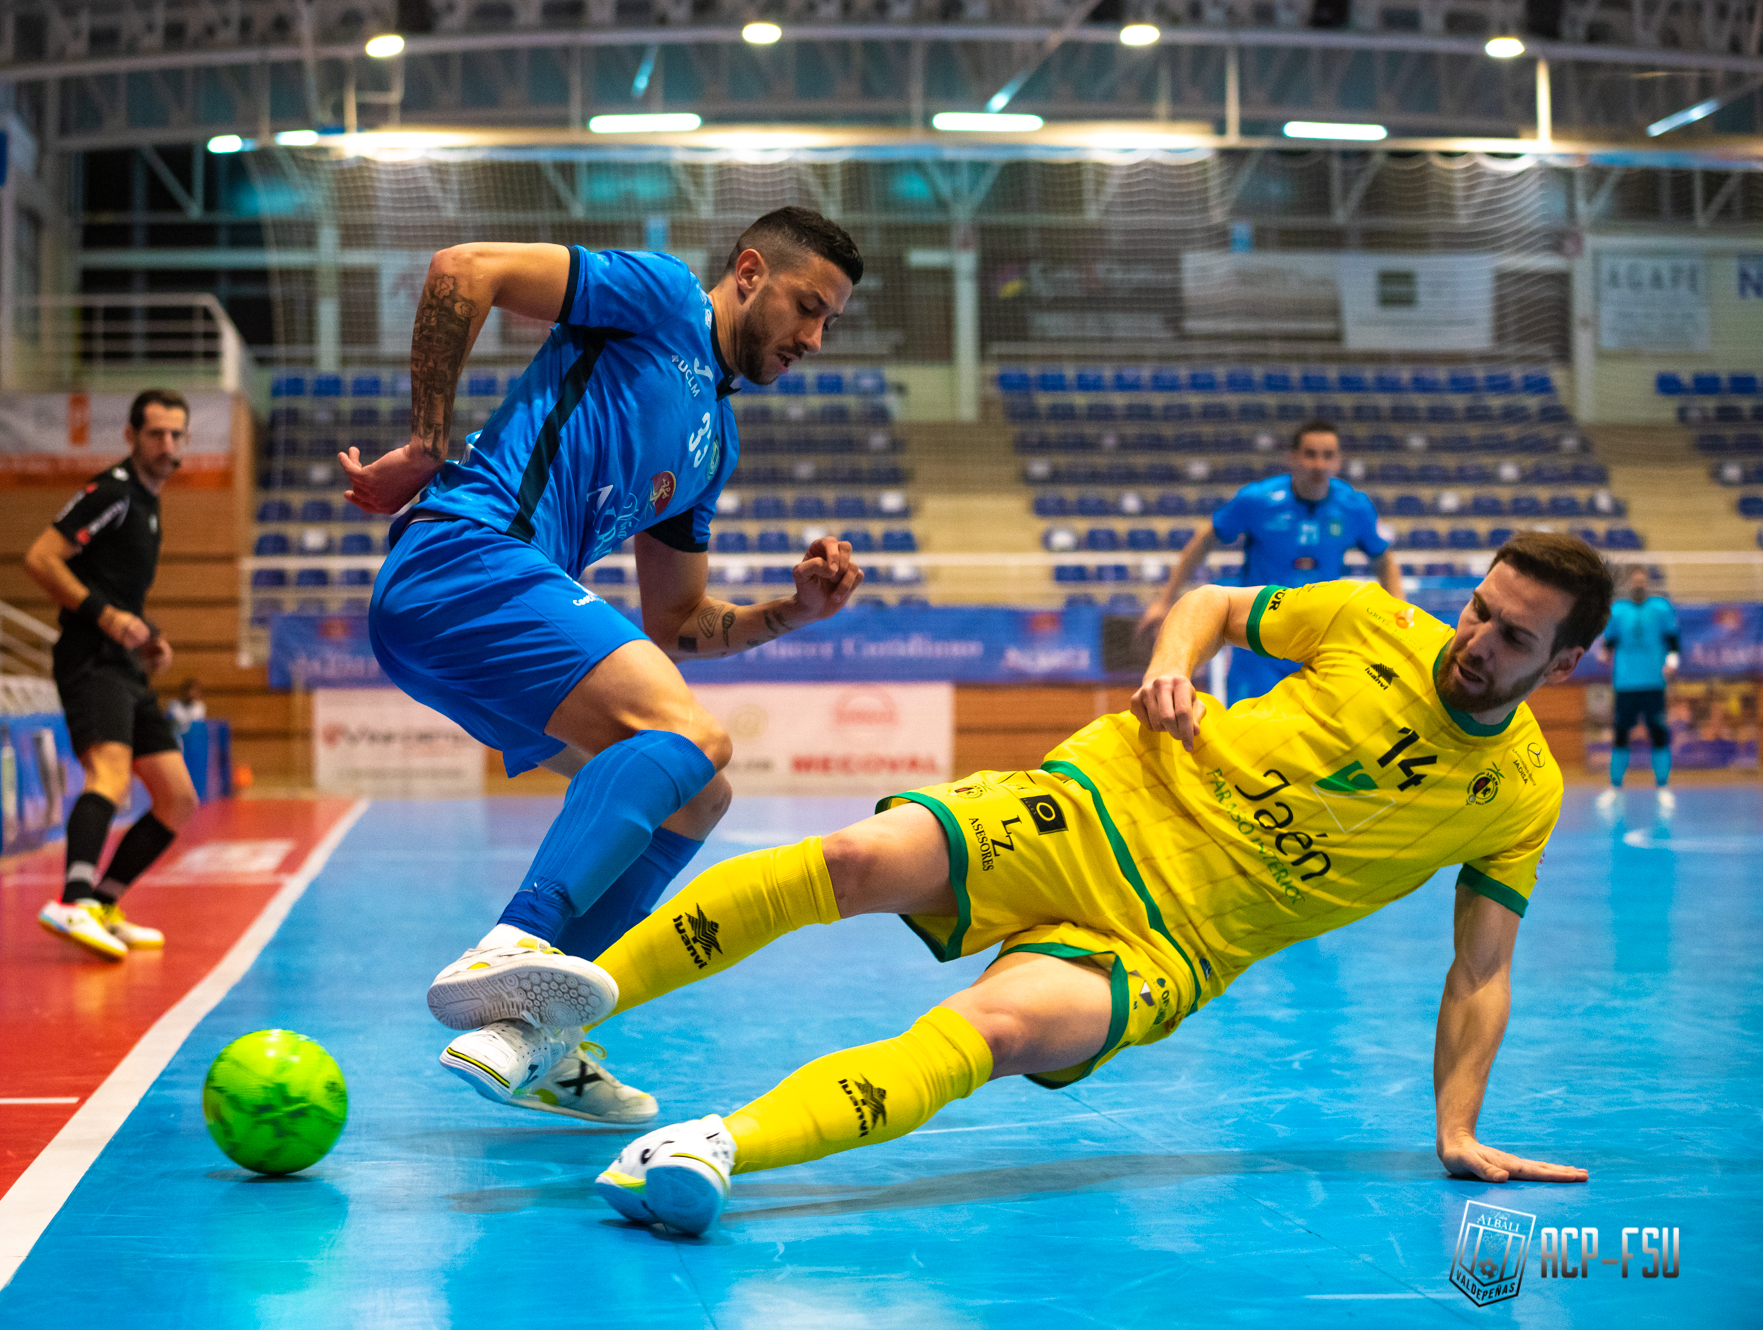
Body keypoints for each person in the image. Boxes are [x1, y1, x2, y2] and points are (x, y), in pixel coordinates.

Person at [573, 531, 1609, 1235]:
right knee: (854, 862)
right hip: (1107, 802)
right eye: (1479, 607)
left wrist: (1456, 1124)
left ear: (1561, 664)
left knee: (997, 1032)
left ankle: (711, 1150)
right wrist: (1170, 665)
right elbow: (1210, 600)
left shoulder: (1519, 796)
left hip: (1176, 947)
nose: (1474, 640)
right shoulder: (1367, 618)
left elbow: (1480, 968)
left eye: (1513, 636)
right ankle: (560, 1011)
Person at [340, 207, 866, 1124]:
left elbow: (678, 621)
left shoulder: (716, 443)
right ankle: (517, 945)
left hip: (486, 596)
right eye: (808, 307)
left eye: (831, 323)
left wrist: (797, 612)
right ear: (749, 271)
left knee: (701, 791)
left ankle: (534, 1035)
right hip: (466, 552)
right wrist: (429, 443)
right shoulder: (661, 298)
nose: (815, 340)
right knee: (690, 734)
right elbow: (468, 266)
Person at [21, 390, 201, 962]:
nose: (166, 445)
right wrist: (107, 618)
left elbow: (118, 591)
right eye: (155, 434)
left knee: (177, 798)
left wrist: (145, 637)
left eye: (176, 435)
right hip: (89, 656)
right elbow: (42, 558)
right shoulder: (114, 493)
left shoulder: (149, 506)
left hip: (124, 662)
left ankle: (103, 902)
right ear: (131, 436)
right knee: (111, 774)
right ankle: (71, 899)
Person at [1138, 419, 1401, 706]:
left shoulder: (1354, 506)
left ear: (1338, 461)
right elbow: (1201, 542)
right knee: (1244, 737)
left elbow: (1384, 561)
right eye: (1310, 454)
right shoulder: (1257, 500)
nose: (1319, 463)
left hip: (1317, 645)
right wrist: (1165, 602)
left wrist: (1399, 617)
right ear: (1293, 458)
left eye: (1328, 455)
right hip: (1258, 643)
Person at [1596, 565, 1681, 813]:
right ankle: (1615, 788)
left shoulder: (1661, 608)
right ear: (1629, 584)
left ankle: (1663, 787)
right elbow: (1609, 641)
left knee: (1659, 733)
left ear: (1647, 583)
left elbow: (1673, 638)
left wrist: (1673, 661)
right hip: (1625, 684)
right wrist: (1604, 652)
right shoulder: (1618, 610)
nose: (1638, 585)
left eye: (1642, 581)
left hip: (1654, 682)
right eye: (1634, 582)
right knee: (1621, 734)